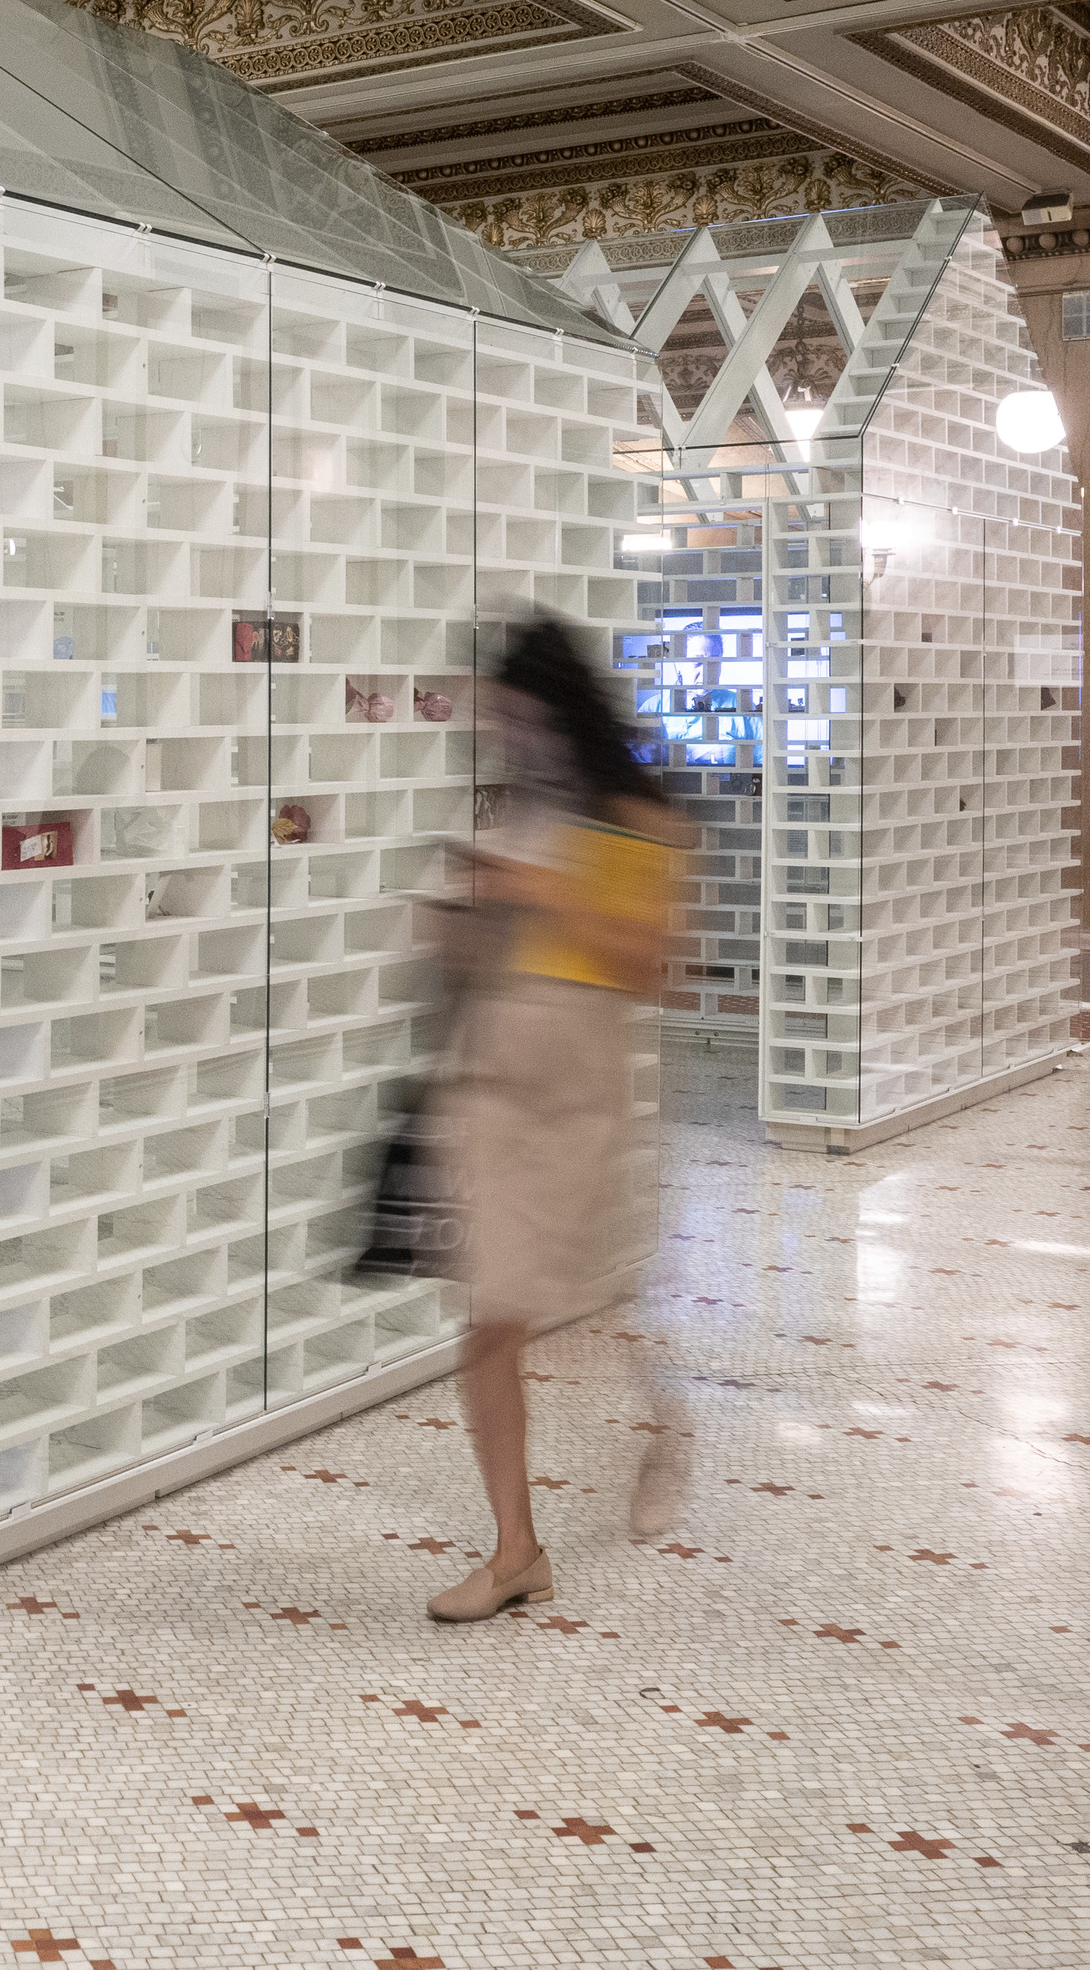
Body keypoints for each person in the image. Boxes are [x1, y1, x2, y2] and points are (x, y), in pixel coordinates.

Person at [421, 617, 684, 1623]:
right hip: (490, 1079)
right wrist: (455, 919)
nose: (506, 733)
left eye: (519, 714)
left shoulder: (633, 816)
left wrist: (536, 889)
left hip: (574, 1091)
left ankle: (662, 1422)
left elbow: (646, 963)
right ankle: (515, 1549)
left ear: (557, 708)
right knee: (490, 1317)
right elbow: (475, 948)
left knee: (583, 1301)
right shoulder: (509, 804)